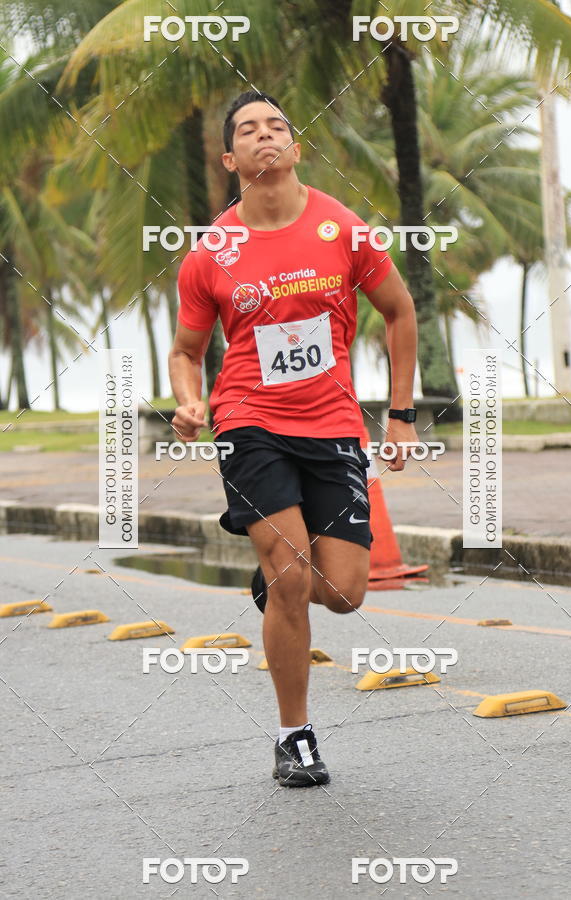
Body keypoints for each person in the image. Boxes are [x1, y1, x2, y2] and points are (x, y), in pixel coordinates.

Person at [168, 90, 418, 787]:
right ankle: (294, 736)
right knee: (289, 579)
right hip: (249, 422)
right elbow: (186, 351)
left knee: (342, 593)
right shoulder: (212, 251)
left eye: (278, 125)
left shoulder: (342, 229)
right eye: (248, 129)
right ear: (231, 159)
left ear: (295, 147)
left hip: (333, 423)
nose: (265, 135)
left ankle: (283, 573)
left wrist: (401, 414)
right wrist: (191, 403)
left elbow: (399, 312)